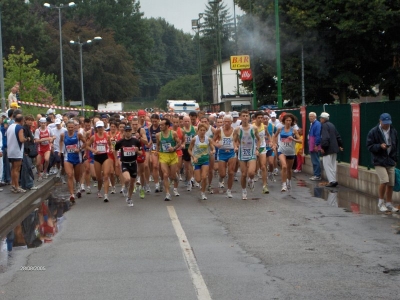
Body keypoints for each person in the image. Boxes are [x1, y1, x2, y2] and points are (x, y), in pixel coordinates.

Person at [366, 113, 399, 213]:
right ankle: (381, 202)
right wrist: (379, 146)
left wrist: (395, 159)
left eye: (388, 123)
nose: (386, 125)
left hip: (390, 160)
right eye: (384, 123)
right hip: (378, 160)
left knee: (391, 183)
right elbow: (369, 146)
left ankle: (388, 203)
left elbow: (396, 145)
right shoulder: (373, 131)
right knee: (384, 180)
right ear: (380, 121)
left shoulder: (393, 131)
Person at [234, 109, 261, 200]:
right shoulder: (238, 129)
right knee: (244, 174)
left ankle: (251, 180)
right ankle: (244, 190)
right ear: (240, 117)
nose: (245, 118)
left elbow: (259, 139)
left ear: (249, 117)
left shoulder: (254, 128)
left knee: (251, 172)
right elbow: (234, 140)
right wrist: (235, 146)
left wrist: (257, 149)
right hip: (242, 153)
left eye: (246, 116)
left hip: (252, 152)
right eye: (243, 116)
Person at [114, 125, 142, 207]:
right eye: (126, 131)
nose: (128, 132)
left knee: (132, 182)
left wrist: (137, 151)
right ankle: (125, 187)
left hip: (133, 163)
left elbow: (141, 153)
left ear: (131, 131)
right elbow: (115, 150)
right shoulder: (120, 142)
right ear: (124, 132)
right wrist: (116, 160)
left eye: (129, 130)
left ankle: (129, 198)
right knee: (127, 179)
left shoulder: (136, 141)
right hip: (125, 163)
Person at [274, 113, 302, 192]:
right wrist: (274, 144)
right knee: (284, 167)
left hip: (291, 151)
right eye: (287, 120)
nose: (288, 122)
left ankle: (289, 181)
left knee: (289, 169)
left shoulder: (294, 130)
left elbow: (300, 141)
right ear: (284, 121)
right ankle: (283, 185)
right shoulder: (280, 129)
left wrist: (293, 139)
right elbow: (274, 136)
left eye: (290, 120)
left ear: (292, 122)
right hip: (281, 150)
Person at [60, 120, 86, 203]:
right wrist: (61, 150)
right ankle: (71, 194)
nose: (71, 129)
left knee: (77, 176)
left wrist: (80, 149)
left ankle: (78, 185)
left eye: (72, 127)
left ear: (74, 127)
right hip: (68, 157)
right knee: (70, 175)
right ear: (66, 128)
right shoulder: (63, 135)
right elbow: (60, 141)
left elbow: (85, 143)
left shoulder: (78, 134)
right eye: (69, 127)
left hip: (77, 157)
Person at [156, 118, 181, 201]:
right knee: (166, 174)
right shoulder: (158, 135)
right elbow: (158, 145)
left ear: (167, 126)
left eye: (162, 125)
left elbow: (179, 143)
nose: (160, 126)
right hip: (163, 156)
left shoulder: (173, 133)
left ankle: (175, 177)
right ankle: (167, 193)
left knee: (172, 175)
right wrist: (157, 152)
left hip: (173, 156)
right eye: (160, 125)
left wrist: (173, 148)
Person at [86, 121, 113, 202]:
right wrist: (93, 150)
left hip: (105, 156)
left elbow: (110, 144)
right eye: (99, 127)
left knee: (105, 175)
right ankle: (99, 190)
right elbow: (87, 145)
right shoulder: (93, 137)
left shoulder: (107, 136)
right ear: (96, 128)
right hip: (97, 157)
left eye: (101, 127)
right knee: (99, 178)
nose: (100, 129)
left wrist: (111, 148)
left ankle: (106, 195)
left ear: (103, 127)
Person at [188, 123, 215, 200]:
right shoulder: (194, 139)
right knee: (198, 179)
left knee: (204, 176)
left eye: (204, 130)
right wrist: (193, 157)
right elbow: (189, 149)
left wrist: (213, 151)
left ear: (206, 131)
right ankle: (200, 184)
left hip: (205, 160)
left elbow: (213, 148)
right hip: (197, 160)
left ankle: (203, 193)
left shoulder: (208, 139)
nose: (202, 132)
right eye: (201, 130)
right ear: (198, 131)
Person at [214, 114, 237, 198]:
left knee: (231, 172)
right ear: (223, 122)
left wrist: (236, 147)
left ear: (231, 122)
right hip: (222, 153)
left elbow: (236, 141)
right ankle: (221, 178)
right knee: (223, 174)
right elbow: (213, 141)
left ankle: (229, 190)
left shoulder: (234, 131)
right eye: (225, 121)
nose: (226, 123)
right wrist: (217, 145)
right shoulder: (219, 130)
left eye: (228, 121)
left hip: (231, 153)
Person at [319, 112, 343, 188]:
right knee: (333, 165)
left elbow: (325, 138)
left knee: (327, 165)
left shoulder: (324, 126)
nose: (320, 119)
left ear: (323, 119)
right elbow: (338, 136)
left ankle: (332, 181)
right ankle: (333, 180)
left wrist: (323, 147)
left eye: (321, 118)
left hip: (328, 149)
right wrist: (340, 145)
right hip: (334, 148)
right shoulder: (332, 125)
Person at [7, 112, 29, 193]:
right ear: (22, 120)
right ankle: (17, 186)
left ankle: (13, 185)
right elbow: (21, 139)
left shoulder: (10, 126)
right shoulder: (20, 128)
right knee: (17, 169)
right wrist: (26, 139)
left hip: (10, 150)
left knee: (13, 168)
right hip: (17, 150)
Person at [308, 112, 322, 180]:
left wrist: (316, 144)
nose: (310, 117)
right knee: (314, 160)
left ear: (315, 117)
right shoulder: (313, 124)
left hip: (314, 145)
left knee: (315, 160)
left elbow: (317, 135)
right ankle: (316, 174)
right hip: (312, 144)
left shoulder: (316, 124)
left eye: (312, 116)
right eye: (310, 116)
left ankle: (317, 175)